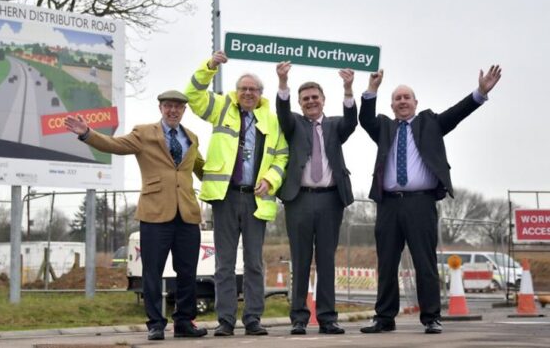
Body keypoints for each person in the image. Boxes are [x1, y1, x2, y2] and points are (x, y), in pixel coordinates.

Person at [358, 66, 502, 334]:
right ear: (391, 105)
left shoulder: (431, 123)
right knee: (387, 262)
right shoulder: (384, 128)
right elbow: (365, 119)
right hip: (388, 204)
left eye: (407, 97)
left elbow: (458, 113)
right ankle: (384, 317)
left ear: (415, 103)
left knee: (424, 262)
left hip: (420, 203)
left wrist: (480, 92)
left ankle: (431, 317)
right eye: (397, 98)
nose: (402, 101)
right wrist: (372, 89)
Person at [64, 90, 207, 341]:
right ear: (161, 108)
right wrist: (88, 134)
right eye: (168, 106)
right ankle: (155, 324)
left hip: (187, 214)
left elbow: (203, 170)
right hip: (154, 213)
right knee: (152, 271)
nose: (173, 110)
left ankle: (185, 322)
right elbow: (115, 145)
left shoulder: (192, 138)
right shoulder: (143, 133)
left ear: (184, 110)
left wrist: (234, 178)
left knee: (188, 271)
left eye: (178, 107)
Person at [184, 51, 288, 336]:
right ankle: (226, 320)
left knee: (254, 263)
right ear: (236, 91)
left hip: (257, 198)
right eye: (243, 89)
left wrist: (270, 180)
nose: (247, 94)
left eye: (253, 90)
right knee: (224, 263)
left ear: (260, 94)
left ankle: (253, 318)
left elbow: (281, 157)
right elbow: (192, 95)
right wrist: (209, 67)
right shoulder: (220, 108)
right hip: (225, 197)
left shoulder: (272, 119)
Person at [274, 62, 357, 335]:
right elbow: (283, 112)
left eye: (315, 98)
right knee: (300, 259)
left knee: (326, 260)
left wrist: (348, 89)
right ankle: (299, 317)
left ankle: (327, 318)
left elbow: (352, 121)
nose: (311, 102)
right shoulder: (294, 124)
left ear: (323, 101)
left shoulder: (335, 126)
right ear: (300, 102)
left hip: (330, 201)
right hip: (299, 199)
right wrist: (283, 82)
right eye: (305, 99)